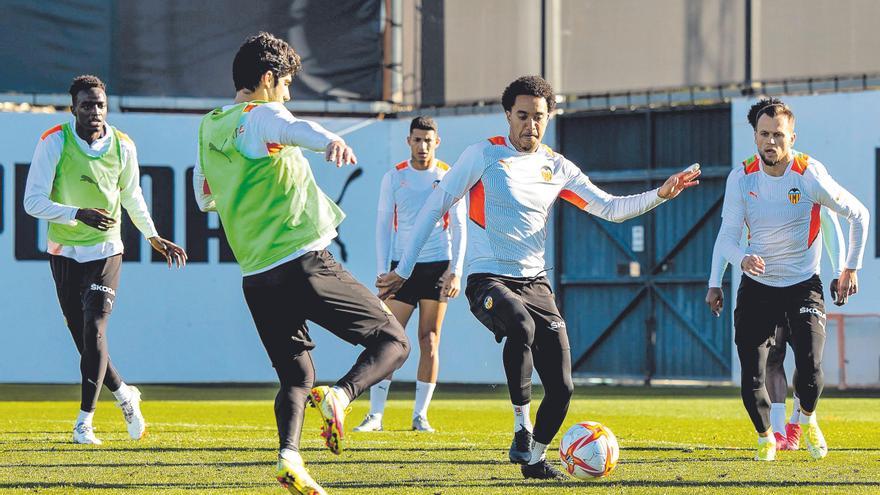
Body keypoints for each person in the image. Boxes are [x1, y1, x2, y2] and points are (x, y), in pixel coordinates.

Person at [377, 75, 700, 479]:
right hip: (488, 279)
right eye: (523, 115)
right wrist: (403, 269)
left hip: (536, 284)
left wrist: (661, 194)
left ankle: (533, 458)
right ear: (507, 115)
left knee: (563, 389)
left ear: (549, 118)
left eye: (539, 117)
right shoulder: (483, 156)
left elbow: (611, 208)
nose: (531, 124)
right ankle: (521, 427)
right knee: (520, 324)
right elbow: (434, 207)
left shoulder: (557, 166)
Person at [193, 32, 410, 495]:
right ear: (268, 79)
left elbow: (203, 196)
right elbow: (294, 128)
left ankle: (289, 457)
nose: (288, 94)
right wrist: (329, 140)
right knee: (394, 341)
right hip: (303, 263)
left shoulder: (211, 125)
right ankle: (342, 395)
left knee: (296, 376)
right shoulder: (263, 114)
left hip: (256, 276)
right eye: (287, 83)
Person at [24, 74, 187, 445]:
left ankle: (85, 420)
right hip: (64, 249)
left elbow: (132, 196)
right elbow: (31, 202)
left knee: (95, 328)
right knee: (83, 338)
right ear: (73, 109)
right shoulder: (54, 141)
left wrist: (152, 235)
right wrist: (77, 213)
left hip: (106, 250)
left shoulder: (123, 146)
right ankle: (125, 394)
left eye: (100, 104)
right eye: (86, 105)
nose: (95, 111)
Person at [711, 98, 869, 461]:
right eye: (764, 134)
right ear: (755, 137)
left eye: (778, 135)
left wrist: (849, 268)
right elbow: (726, 237)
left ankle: (808, 419)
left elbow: (857, 215)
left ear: (792, 137)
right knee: (753, 375)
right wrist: (738, 262)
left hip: (803, 284)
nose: (771, 142)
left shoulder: (810, 174)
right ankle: (767, 437)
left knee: (811, 369)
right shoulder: (741, 177)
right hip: (758, 287)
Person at [354, 117, 466, 433]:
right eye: (417, 140)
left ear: (437, 142)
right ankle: (375, 415)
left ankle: (420, 416)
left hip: (437, 267)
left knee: (429, 339)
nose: (422, 146)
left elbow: (459, 226)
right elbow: (382, 225)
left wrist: (456, 271)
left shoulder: (449, 176)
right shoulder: (395, 177)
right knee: (388, 338)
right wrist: (383, 271)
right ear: (408, 141)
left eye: (428, 140)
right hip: (400, 270)